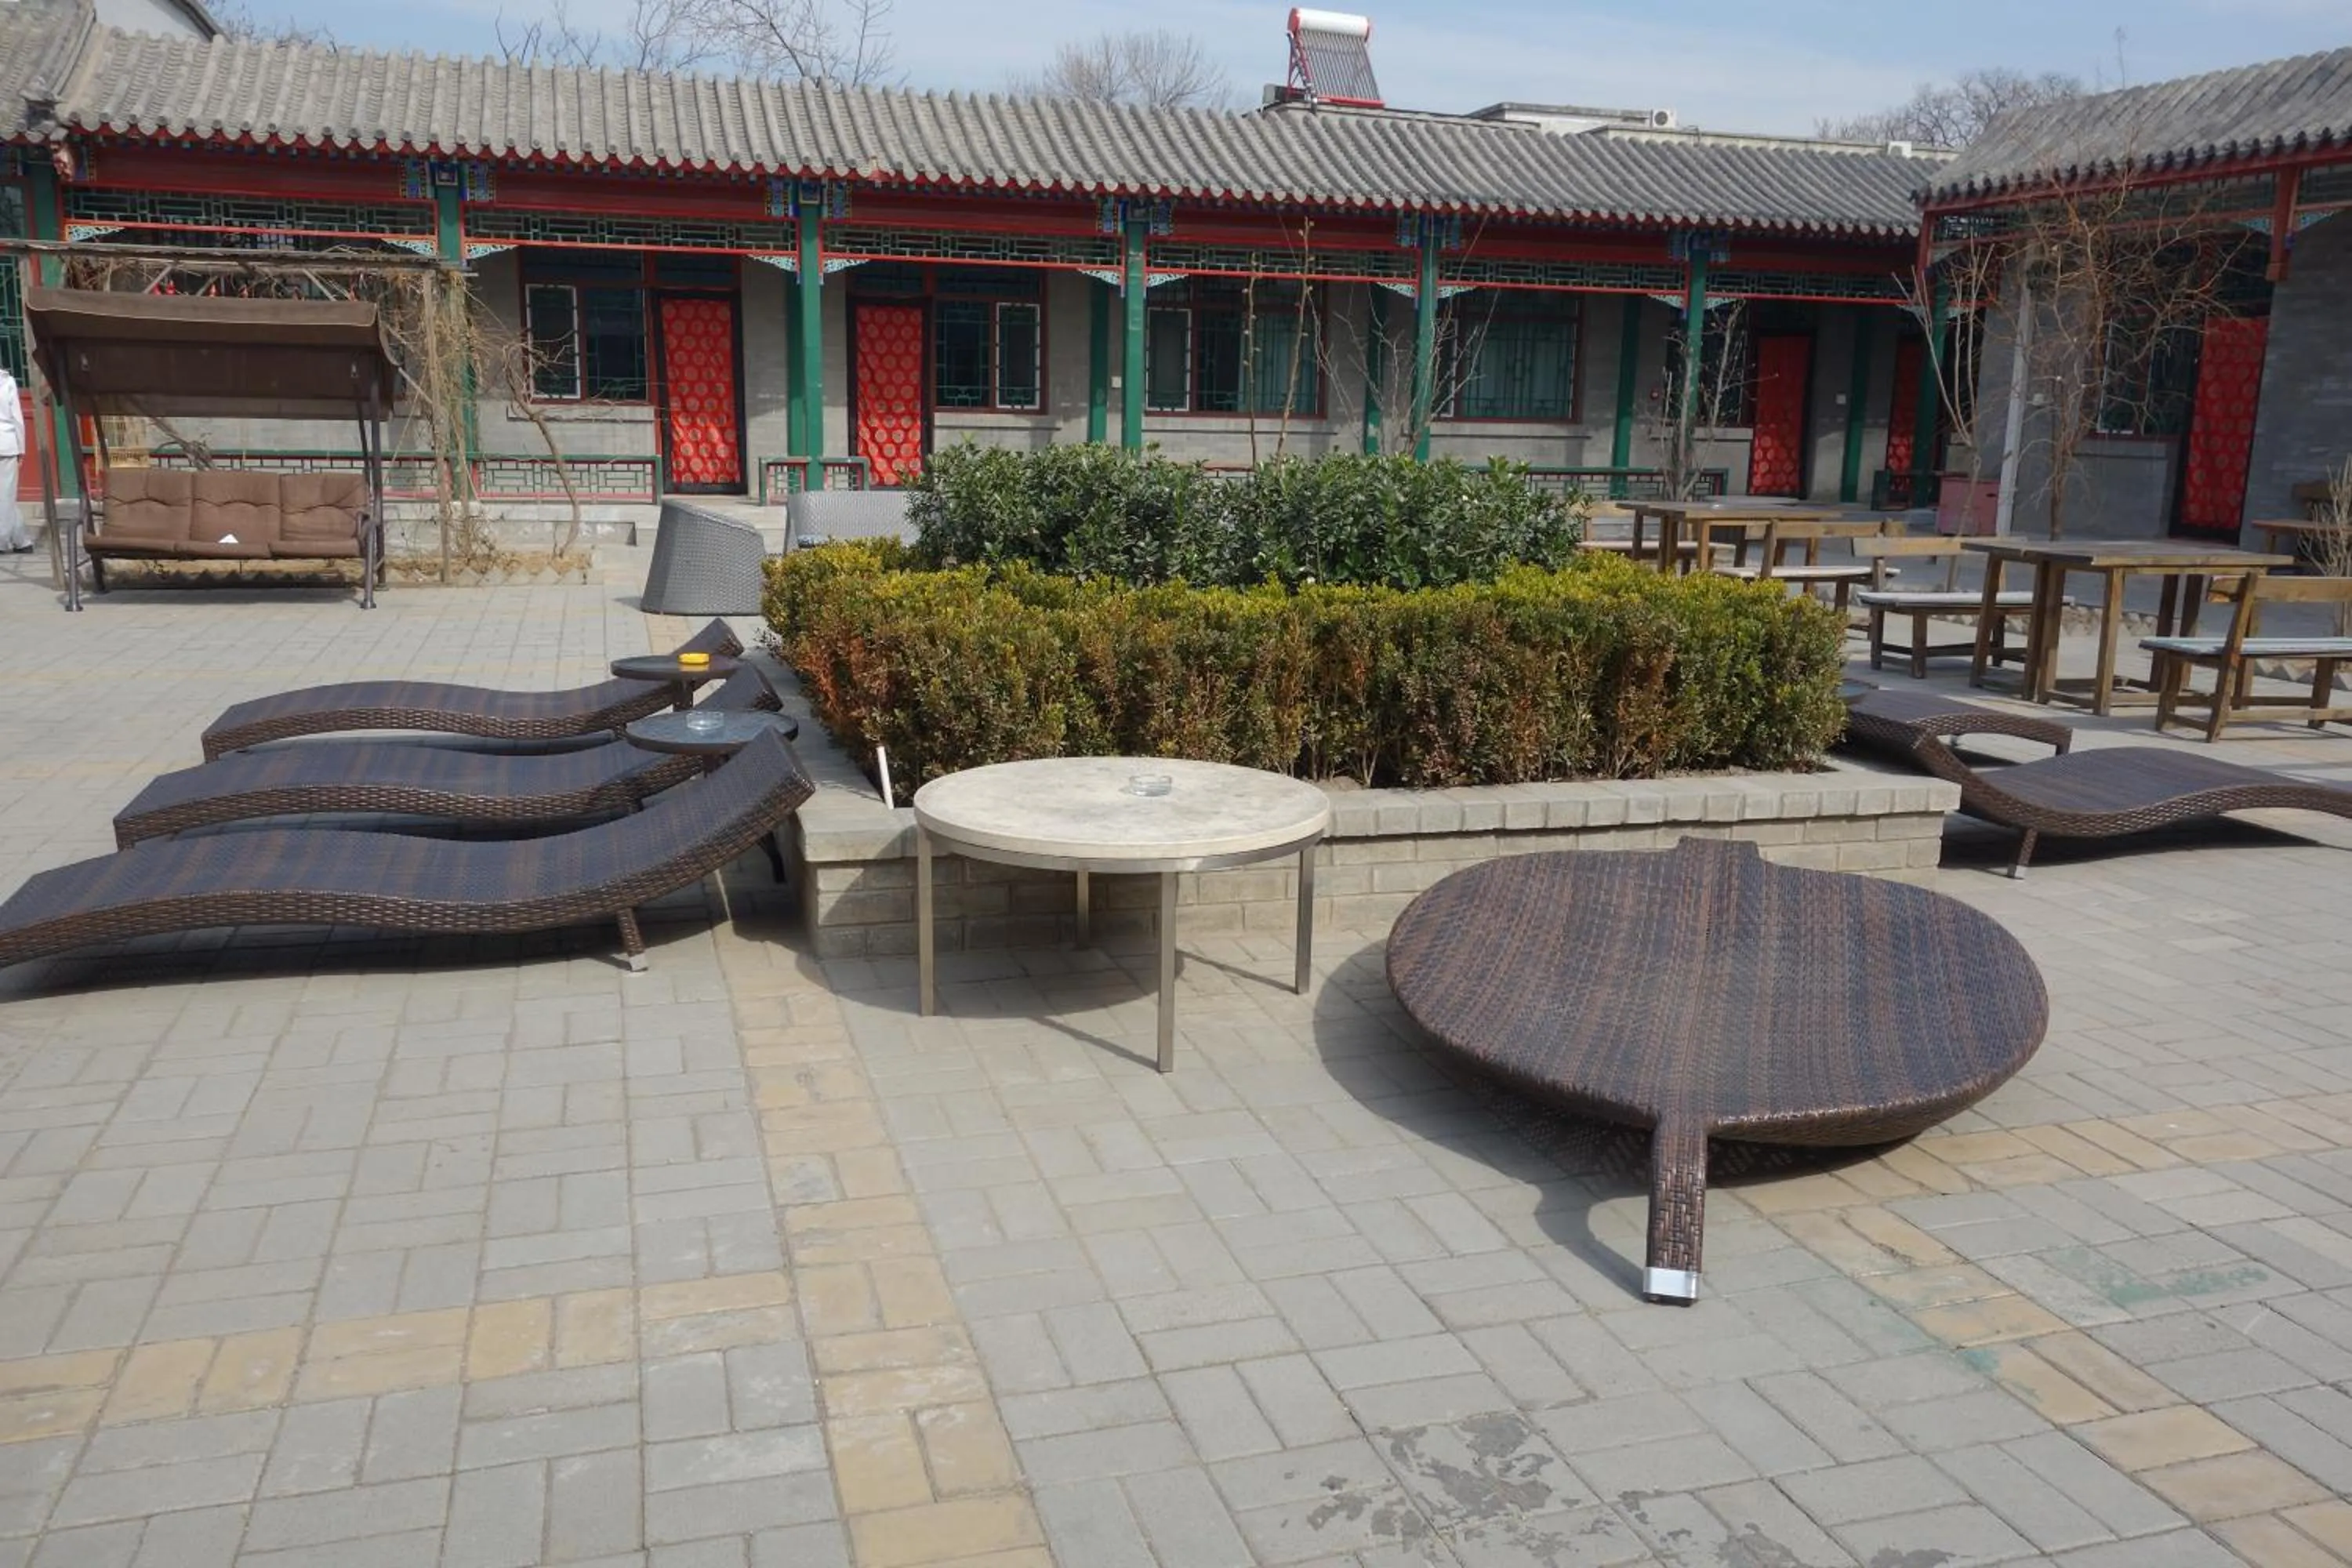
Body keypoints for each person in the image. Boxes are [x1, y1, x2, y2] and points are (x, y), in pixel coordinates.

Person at [0, 369, 28, 552]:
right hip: (6, 443)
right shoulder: (7, 382)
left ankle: (14, 540)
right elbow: (17, 418)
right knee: (6, 494)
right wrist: (21, 447)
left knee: (6, 496)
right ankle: (18, 540)